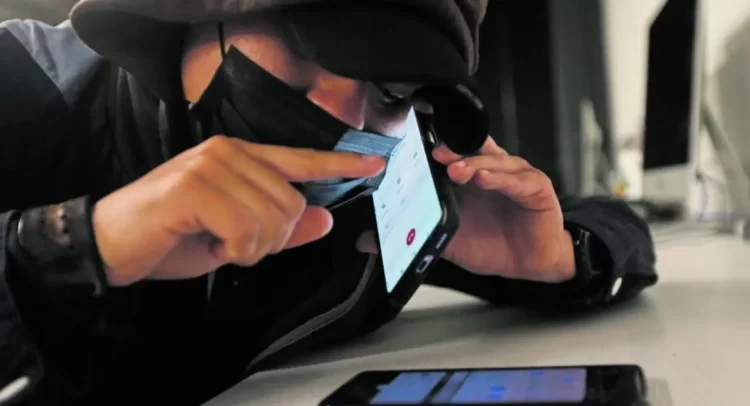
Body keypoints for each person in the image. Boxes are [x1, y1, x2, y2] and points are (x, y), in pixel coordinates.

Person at [0, 0, 658, 404]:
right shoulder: (23, 83)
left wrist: (559, 255)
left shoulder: (385, 185)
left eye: (391, 89)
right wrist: (67, 247)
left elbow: (614, 224)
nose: (345, 119)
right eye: (305, 45)